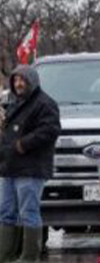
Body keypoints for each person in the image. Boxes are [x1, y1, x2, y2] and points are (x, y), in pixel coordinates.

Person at [0, 66, 60, 263]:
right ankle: (6, 256)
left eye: (22, 80)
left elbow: (50, 130)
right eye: (15, 80)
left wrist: (22, 144)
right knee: (6, 212)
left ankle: (29, 258)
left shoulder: (45, 103)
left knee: (28, 212)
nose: (18, 84)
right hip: (9, 168)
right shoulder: (14, 103)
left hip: (31, 169)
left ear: (32, 81)